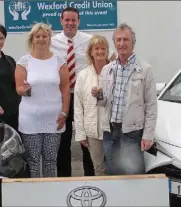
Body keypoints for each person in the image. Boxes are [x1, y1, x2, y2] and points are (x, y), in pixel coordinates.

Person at [50, 7, 115, 177]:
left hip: (86, 96)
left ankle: (90, 178)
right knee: (63, 142)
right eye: (67, 20)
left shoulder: (89, 40)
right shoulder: (52, 42)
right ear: (61, 21)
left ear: (79, 21)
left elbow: (108, 56)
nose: (70, 23)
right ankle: (64, 179)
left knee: (86, 141)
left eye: (73, 20)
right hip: (61, 97)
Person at [93, 23, 158, 175]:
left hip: (132, 133)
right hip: (110, 131)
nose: (122, 44)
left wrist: (148, 135)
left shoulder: (145, 69)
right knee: (113, 174)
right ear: (114, 43)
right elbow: (104, 102)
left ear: (133, 43)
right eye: (118, 40)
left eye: (125, 40)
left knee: (133, 174)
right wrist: (99, 95)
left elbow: (151, 106)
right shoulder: (107, 69)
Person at [15, 23, 70, 178]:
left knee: (51, 160)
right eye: (37, 36)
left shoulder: (59, 61)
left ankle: (50, 195)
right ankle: (35, 195)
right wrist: (24, 90)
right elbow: (18, 87)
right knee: (33, 160)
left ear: (49, 39)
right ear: (32, 39)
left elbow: (65, 89)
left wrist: (65, 112)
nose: (41, 39)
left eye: (44, 36)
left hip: (55, 119)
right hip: (30, 119)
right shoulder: (24, 61)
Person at [73, 35, 111, 176]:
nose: (100, 51)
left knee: (114, 167)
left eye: (103, 48)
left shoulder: (114, 71)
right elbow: (78, 106)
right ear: (91, 52)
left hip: (112, 131)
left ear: (107, 51)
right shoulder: (83, 75)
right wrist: (81, 133)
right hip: (92, 132)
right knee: (99, 168)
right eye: (96, 48)